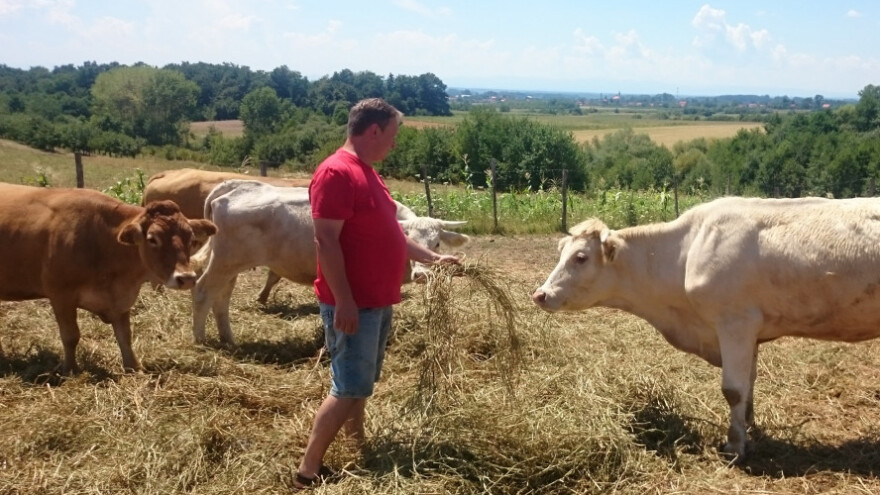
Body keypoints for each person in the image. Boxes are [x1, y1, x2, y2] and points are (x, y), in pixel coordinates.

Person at [293, 98, 459, 490]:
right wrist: (344, 301)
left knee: (359, 384)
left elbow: (393, 236)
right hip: (354, 303)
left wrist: (433, 258)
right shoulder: (336, 173)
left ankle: (356, 446)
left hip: (376, 299)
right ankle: (307, 471)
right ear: (373, 131)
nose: (394, 145)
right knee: (348, 386)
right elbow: (325, 242)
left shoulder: (367, 173)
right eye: (393, 135)